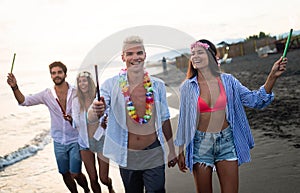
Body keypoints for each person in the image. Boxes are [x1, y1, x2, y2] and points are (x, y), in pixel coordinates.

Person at [175, 39, 287, 193]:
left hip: (226, 141)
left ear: (212, 56)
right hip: (200, 144)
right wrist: (180, 149)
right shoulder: (188, 87)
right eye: (192, 54)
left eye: (200, 52)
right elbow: (184, 121)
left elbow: (255, 100)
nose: (194, 56)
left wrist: (272, 76)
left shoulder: (228, 81)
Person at [88, 35, 178, 193]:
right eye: (129, 54)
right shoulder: (111, 85)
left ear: (145, 55)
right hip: (127, 154)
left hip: (153, 151)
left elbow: (164, 118)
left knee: (157, 190)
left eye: (139, 53)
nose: (135, 57)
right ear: (123, 57)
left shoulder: (158, 85)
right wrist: (96, 109)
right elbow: (93, 113)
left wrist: (171, 150)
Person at [7, 61, 90, 193]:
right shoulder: (47, 94)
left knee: (76, 173)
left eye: (59, 72)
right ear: (51, 76)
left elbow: (89, 108)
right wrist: (14, 87)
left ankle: (86, 190)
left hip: (75, 139)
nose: (56, 75)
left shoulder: (76, 92)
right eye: (53, 73)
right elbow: (24, 101)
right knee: (64, 173)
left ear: (65, 74)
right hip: (58, 141)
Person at [72, 71, 115, 193]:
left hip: (101, 139)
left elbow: (109, 113)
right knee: (93, 178)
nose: (82, 84)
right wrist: (72, 120)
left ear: (90, 82)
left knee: (103, 178)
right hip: (85, 142)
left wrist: (106, 121)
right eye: (79, 81)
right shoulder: (76, 101)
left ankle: (110, 186)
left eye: (84, 81)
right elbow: (75, 121)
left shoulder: (99, 98)